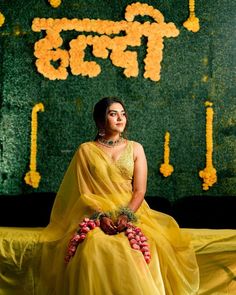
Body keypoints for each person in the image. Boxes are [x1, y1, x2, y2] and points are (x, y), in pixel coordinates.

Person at [36, 97, 199, 295]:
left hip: (132, 210)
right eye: (113, 114)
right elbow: (85, 192)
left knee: (142, 245)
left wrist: (126, 215)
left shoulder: (136, 148)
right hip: (96, 211)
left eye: (123, 114)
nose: (120, 118)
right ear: (100, 120)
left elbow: (139, 190)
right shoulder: (85, 150)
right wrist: (101, 217)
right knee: (93, 244)